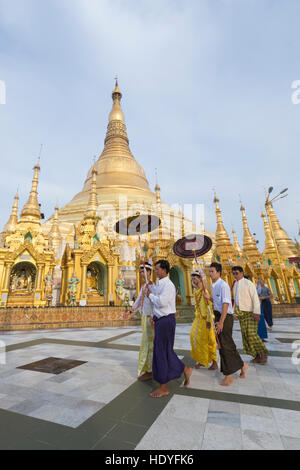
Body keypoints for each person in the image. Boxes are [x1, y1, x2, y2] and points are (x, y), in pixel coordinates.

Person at [146, 259, 192, 398]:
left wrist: (150, 295)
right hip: (161, 320)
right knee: (163, 350)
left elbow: (161, 302)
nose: (156, 271)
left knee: (161, 351)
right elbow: (155, 296)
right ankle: (184, 369)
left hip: (166, 320)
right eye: (155, 269)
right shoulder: (160, 283)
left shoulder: (169, 285)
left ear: (165, 270)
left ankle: (164, 386)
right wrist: (150, 287)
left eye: (158, 269)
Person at [203, 262, 247, 386]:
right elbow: (218, 301)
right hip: (218, 315)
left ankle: (228, 376)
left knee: (224, 345)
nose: (210, 273)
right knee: (225, 343)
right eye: (209, 271)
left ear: (218, 272)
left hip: (225, 317)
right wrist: (209, 298)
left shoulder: (224, 285)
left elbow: (226, 304)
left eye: (212, 271)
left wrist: (221, 322)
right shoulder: (213, 286)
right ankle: (242, 366)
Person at [232, 267, 268, 364]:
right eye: (233, 273)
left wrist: (256, 312)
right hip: (241, 313)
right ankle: (256, 355)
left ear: (242, 273)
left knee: (252, 334)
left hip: (250, 312)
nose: (235, 275)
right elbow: (236, 300)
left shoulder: (249, 283)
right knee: (246, 336)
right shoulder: (235, 285)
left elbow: (255, 298)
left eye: (236, 273)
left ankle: (263, 353)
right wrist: (234, 312)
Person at [131, 262, 155, 381]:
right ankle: (148, 368)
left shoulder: (153, 286)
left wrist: (152, 315)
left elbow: (155, 303)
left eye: (144, 271)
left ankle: (150, 369)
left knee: (149, 344)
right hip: (144, 317)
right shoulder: (144, 286)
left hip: (150, 318)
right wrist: (131, 311)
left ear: (149, 272)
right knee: (146, 343)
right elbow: (139, 299)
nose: (141, 273)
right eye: (140, 271)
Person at [190, 270, 218, 370]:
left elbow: (209, 306)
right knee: (195, 338)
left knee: (210, 340)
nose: (193, 279)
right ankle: (202, 360)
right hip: (198, 318)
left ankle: (214, 361)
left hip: (206, 319)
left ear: (200, 279)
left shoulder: (204, 291)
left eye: (195, 278)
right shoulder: (195, 291)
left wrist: (209, 320)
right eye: (192, 278)